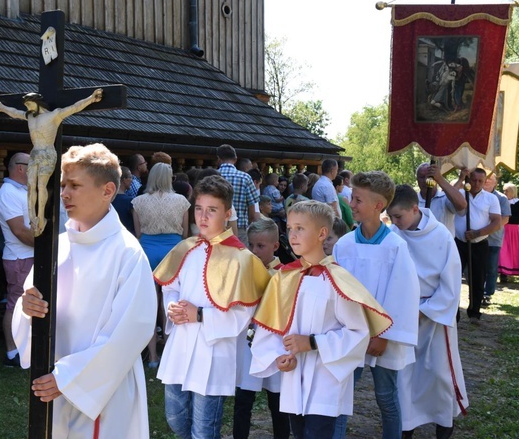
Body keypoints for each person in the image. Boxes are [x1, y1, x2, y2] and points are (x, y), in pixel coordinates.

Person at [13, 143, 156, 438]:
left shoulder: (126, 253)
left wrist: (69, 376)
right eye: (63, 184)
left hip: (102, 389)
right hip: (54, 383)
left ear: (107, 191)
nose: (64, 193)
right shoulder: (57, 247)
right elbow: (30, 302)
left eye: (75, 185)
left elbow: (130, 332)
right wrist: (27, 309)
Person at [251, 200, 392, 439]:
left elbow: (357, 332)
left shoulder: (337, 281)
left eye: (300, 228)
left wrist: (314, 343)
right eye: (291, 228)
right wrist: (279, 357)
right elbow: (271, 327)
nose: (292, 235)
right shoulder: (284, 278)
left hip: (325, 381)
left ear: (322, 233)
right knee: (299, 433)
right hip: (294, 378)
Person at [153, 175, 271, 439]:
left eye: (212, 210)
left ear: (228, 213)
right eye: (198, 209)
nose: (203, 217)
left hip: (214, 351)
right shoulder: (185, 248)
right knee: (175, 419)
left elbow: (244, 311)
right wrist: (172, 305)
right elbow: (171, 284)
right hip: (181, 345)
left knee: (204, 429)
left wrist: (201, 314)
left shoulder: (242, 259)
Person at [332, 171, 420, 439]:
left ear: (378, 205)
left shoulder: (395, 246)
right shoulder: (345, 244)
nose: (352, 204)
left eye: (358, 200)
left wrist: (383, 335)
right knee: (342, 395)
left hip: (383, 336)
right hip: (352, 332)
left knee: (385, 395)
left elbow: (402, 294)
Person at [386, 185, 468, 439]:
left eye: (399, 216)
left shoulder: (441, 236)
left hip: (433, 316)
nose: (395, 223)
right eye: (392, 217)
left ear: (415, 208)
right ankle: (406, 426)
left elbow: (451, 283)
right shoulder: (393, 235)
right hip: (402, 315)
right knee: (404, 374)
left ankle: (443, 424)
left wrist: (424, 311)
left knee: (438, 373)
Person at [0, 89, 103, 235]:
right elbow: (14, 112)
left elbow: (74, 107)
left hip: (47, 153)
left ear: (37, 103)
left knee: (41, 185)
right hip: (35, 153)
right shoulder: (30, 117)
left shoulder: (53, 116)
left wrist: (91, 98)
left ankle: (41, 216)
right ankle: (33, 218)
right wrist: (2, 107)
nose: (28, 109)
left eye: (30, 105)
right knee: (31, 185)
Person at [233, 218, 290, 439]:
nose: (254, 251)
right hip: (248, 345)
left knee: (278, 404)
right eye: (251, 245)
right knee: (243, 401)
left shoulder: (286, 275)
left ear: (275, 246)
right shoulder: (243, 271)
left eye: (261, 246)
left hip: (275, 345)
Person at [132, 162, 190, 367]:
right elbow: (184, 234)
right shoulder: (181, 201)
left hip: (147, 249)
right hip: (173, 251)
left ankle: (152, 357)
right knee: (172, 300)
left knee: (150, 302)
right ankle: (170, 351)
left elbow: (138, 234)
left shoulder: (138, 202)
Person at [0, 152, 34, 367]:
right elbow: (20, 231)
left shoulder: (22, 191)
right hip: (20, 257)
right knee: (16, 304)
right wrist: (50, 247)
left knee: (28, 304)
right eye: (31, 165)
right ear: (20, 168)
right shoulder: (8, 193)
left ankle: (25, 347)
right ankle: (12, 353)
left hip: (29, 255)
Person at [454, 168, 501, 324]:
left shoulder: (490, 199)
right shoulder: (460, 193)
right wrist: (461, 179)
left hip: (479, 243)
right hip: (458, 242)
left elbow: (496, 222)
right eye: (473, 180)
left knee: (478, 278)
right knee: (453, 277)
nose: (476, 183)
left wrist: (477, 232)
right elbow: (447, 199)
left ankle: (474, 312)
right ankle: (454, 313)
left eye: (480, 181)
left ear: (485, 181)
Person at [217, 144, 260, 246]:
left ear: (218, 159)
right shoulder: (245, 177)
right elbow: (252, 211)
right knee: (240, 259)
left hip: (217, 227)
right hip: (240, 228)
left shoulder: (213, 175)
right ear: (235, 159)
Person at [415, 163, 467, 237]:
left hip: (444, 246)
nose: (426, 180)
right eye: (422, 177)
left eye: (429, 176)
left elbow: (462, 205)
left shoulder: (445, 198)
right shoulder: (413, 201)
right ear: (417, 180)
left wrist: (440, 178)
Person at [482, 173, 510, 305]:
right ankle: (477, 291)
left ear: (495, 183)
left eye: (491, 179)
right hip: (477, 239)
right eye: (486, 179)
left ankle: (488, 293)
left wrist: (487, 229)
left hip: (494, 239)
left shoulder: (501, 198)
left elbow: (505, 219)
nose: (487, 181)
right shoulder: (476, 195)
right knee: (476, 267)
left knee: (492, 268)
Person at [499, 182, 519, 278]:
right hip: (504, 228)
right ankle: (503, 274)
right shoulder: (503, 201)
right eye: (504, 190)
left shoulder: (517, 203)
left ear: (512, 191)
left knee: (514, 251)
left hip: (514, 230)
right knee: (503, 251)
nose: (505, 192)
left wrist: (507, 218)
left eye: (507, 190)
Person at [111, 166, 136, 235]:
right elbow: (138, 231)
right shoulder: (130, 202)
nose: (132, 180)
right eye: (130, 177)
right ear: (124, 180)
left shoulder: (107, 201)